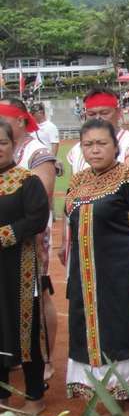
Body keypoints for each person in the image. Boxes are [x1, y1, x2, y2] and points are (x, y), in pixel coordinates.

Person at [64, 119, 129, 416]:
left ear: (115, 146)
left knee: (125, 328)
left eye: (101, 143)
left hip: (125, 272)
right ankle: (105, 392)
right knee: (90, 329)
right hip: (85, 274)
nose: (95, 150)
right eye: (88, 144)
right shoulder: (78, 182)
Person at [1, 98, 60, 383]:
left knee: (36, 300)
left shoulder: (36, 154)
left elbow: (41, 204)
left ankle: (43, 364)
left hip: (30, 245)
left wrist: (8, 232)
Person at [0, 120, 50, 416]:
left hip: (20, 267)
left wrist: (3, 235)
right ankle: (2, 396)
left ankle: (34, 396)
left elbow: (37, 219)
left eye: (2, 143)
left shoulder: (26, 180)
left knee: (26, 328)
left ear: (13, 146)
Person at [66, 88, 129, 175]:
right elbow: (73, 189)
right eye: (92, 114)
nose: (98, 118)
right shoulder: (76, 149)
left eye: (104, 113)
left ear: (118, 113)